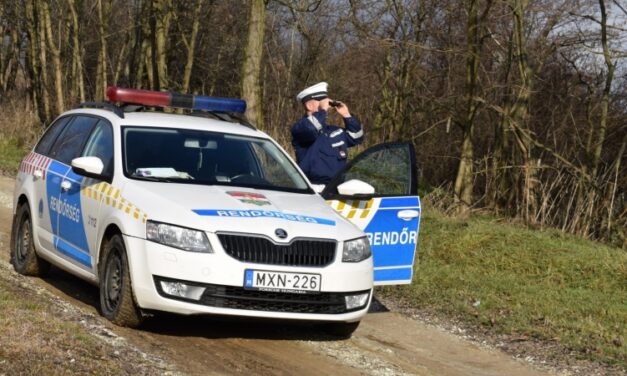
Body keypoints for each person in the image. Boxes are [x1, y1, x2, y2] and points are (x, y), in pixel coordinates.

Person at [291, 82, 364, 186]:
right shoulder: (300, 128)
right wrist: (323, 109)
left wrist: (347, 115)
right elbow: (311, 128)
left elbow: (357, 137)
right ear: (309, 105)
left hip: (336, 188)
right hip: (312, 189)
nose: (327, 105)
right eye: (321, 101)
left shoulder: (333, 131)